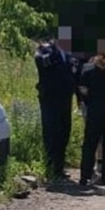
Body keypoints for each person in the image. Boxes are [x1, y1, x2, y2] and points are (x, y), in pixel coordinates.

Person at [34, 36, 81, 180]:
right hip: (49, 98)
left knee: (63, 132)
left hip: (65, 99)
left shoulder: (69, 55)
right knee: (50, 131)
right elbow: (43, 62)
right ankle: (49, 167)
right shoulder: (44, 49)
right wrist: (56, 50)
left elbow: (75, 76)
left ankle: (59, 168)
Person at [78, 46, 105, 188]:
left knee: (90, 144)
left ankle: (85, 176)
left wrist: (88, 102)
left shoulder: (88, 69)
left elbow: (83, 90)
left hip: (95, 113)